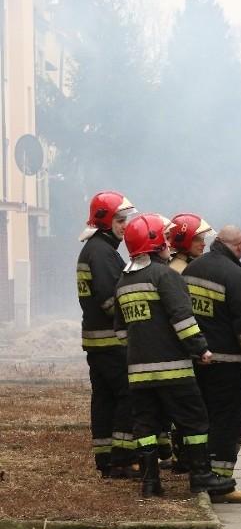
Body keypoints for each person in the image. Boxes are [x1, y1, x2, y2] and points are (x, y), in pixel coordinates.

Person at [113, 213, 236, 499]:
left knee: (145, 425)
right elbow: (183, 320)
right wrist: (201, 349)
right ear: (155, 242)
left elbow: (121, 333)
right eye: (165, 238)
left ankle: (150, 483)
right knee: (194, 421)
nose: (169, 243)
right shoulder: (166, 276)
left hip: (138, 372)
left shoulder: (123, 282)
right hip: (174, 371)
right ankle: (201, 476)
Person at [182, 225, 241, 504]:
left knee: (202, 419)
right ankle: (221, 485)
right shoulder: (235, 275)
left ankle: (201, 474)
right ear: (240, 245)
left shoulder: (192, 269)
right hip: (227, 365)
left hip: (194, 360)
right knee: (228, 422)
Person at [76, 190, 139, 479]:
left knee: (104, 398)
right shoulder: (102, 252)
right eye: (120, 219)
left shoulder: (94, 249)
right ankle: (121, 459)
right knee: (127, 394)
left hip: (95, 339)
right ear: (104, 221)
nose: (125, 225)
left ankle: (105, 458)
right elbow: (109, 299)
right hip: (111, 339)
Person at [160, 212, 215, 472]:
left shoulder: (180, 266)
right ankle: (186, 459)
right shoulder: (181, 271)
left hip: (182, 347)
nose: (203, 244)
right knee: (186, 408)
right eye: (197, 239)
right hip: (183, 349)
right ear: (184, 241)